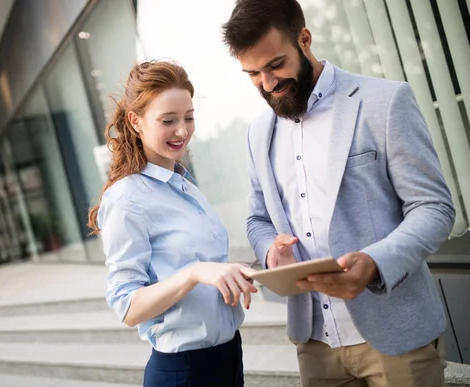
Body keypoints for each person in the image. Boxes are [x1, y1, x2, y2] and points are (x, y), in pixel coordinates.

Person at [222, 1, 455, 386]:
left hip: (397, 338)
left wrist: (375, 262)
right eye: (253, 74)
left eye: (276, 65)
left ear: (305, 39)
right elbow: (258, 219)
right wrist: (271, 250)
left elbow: (434, 208)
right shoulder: (257, 132)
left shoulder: (384, 101)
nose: (267, 84)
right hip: (315, 346)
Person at [87, 60, 257, 387]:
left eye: (189, 117)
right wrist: (194, 273)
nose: (182, 131)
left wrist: (242, 270)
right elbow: (128, 306)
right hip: (184, 372)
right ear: (136, 122)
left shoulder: (184, 184)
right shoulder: (126, 199)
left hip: (228, 358)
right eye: (168, 120)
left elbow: (198, 266)